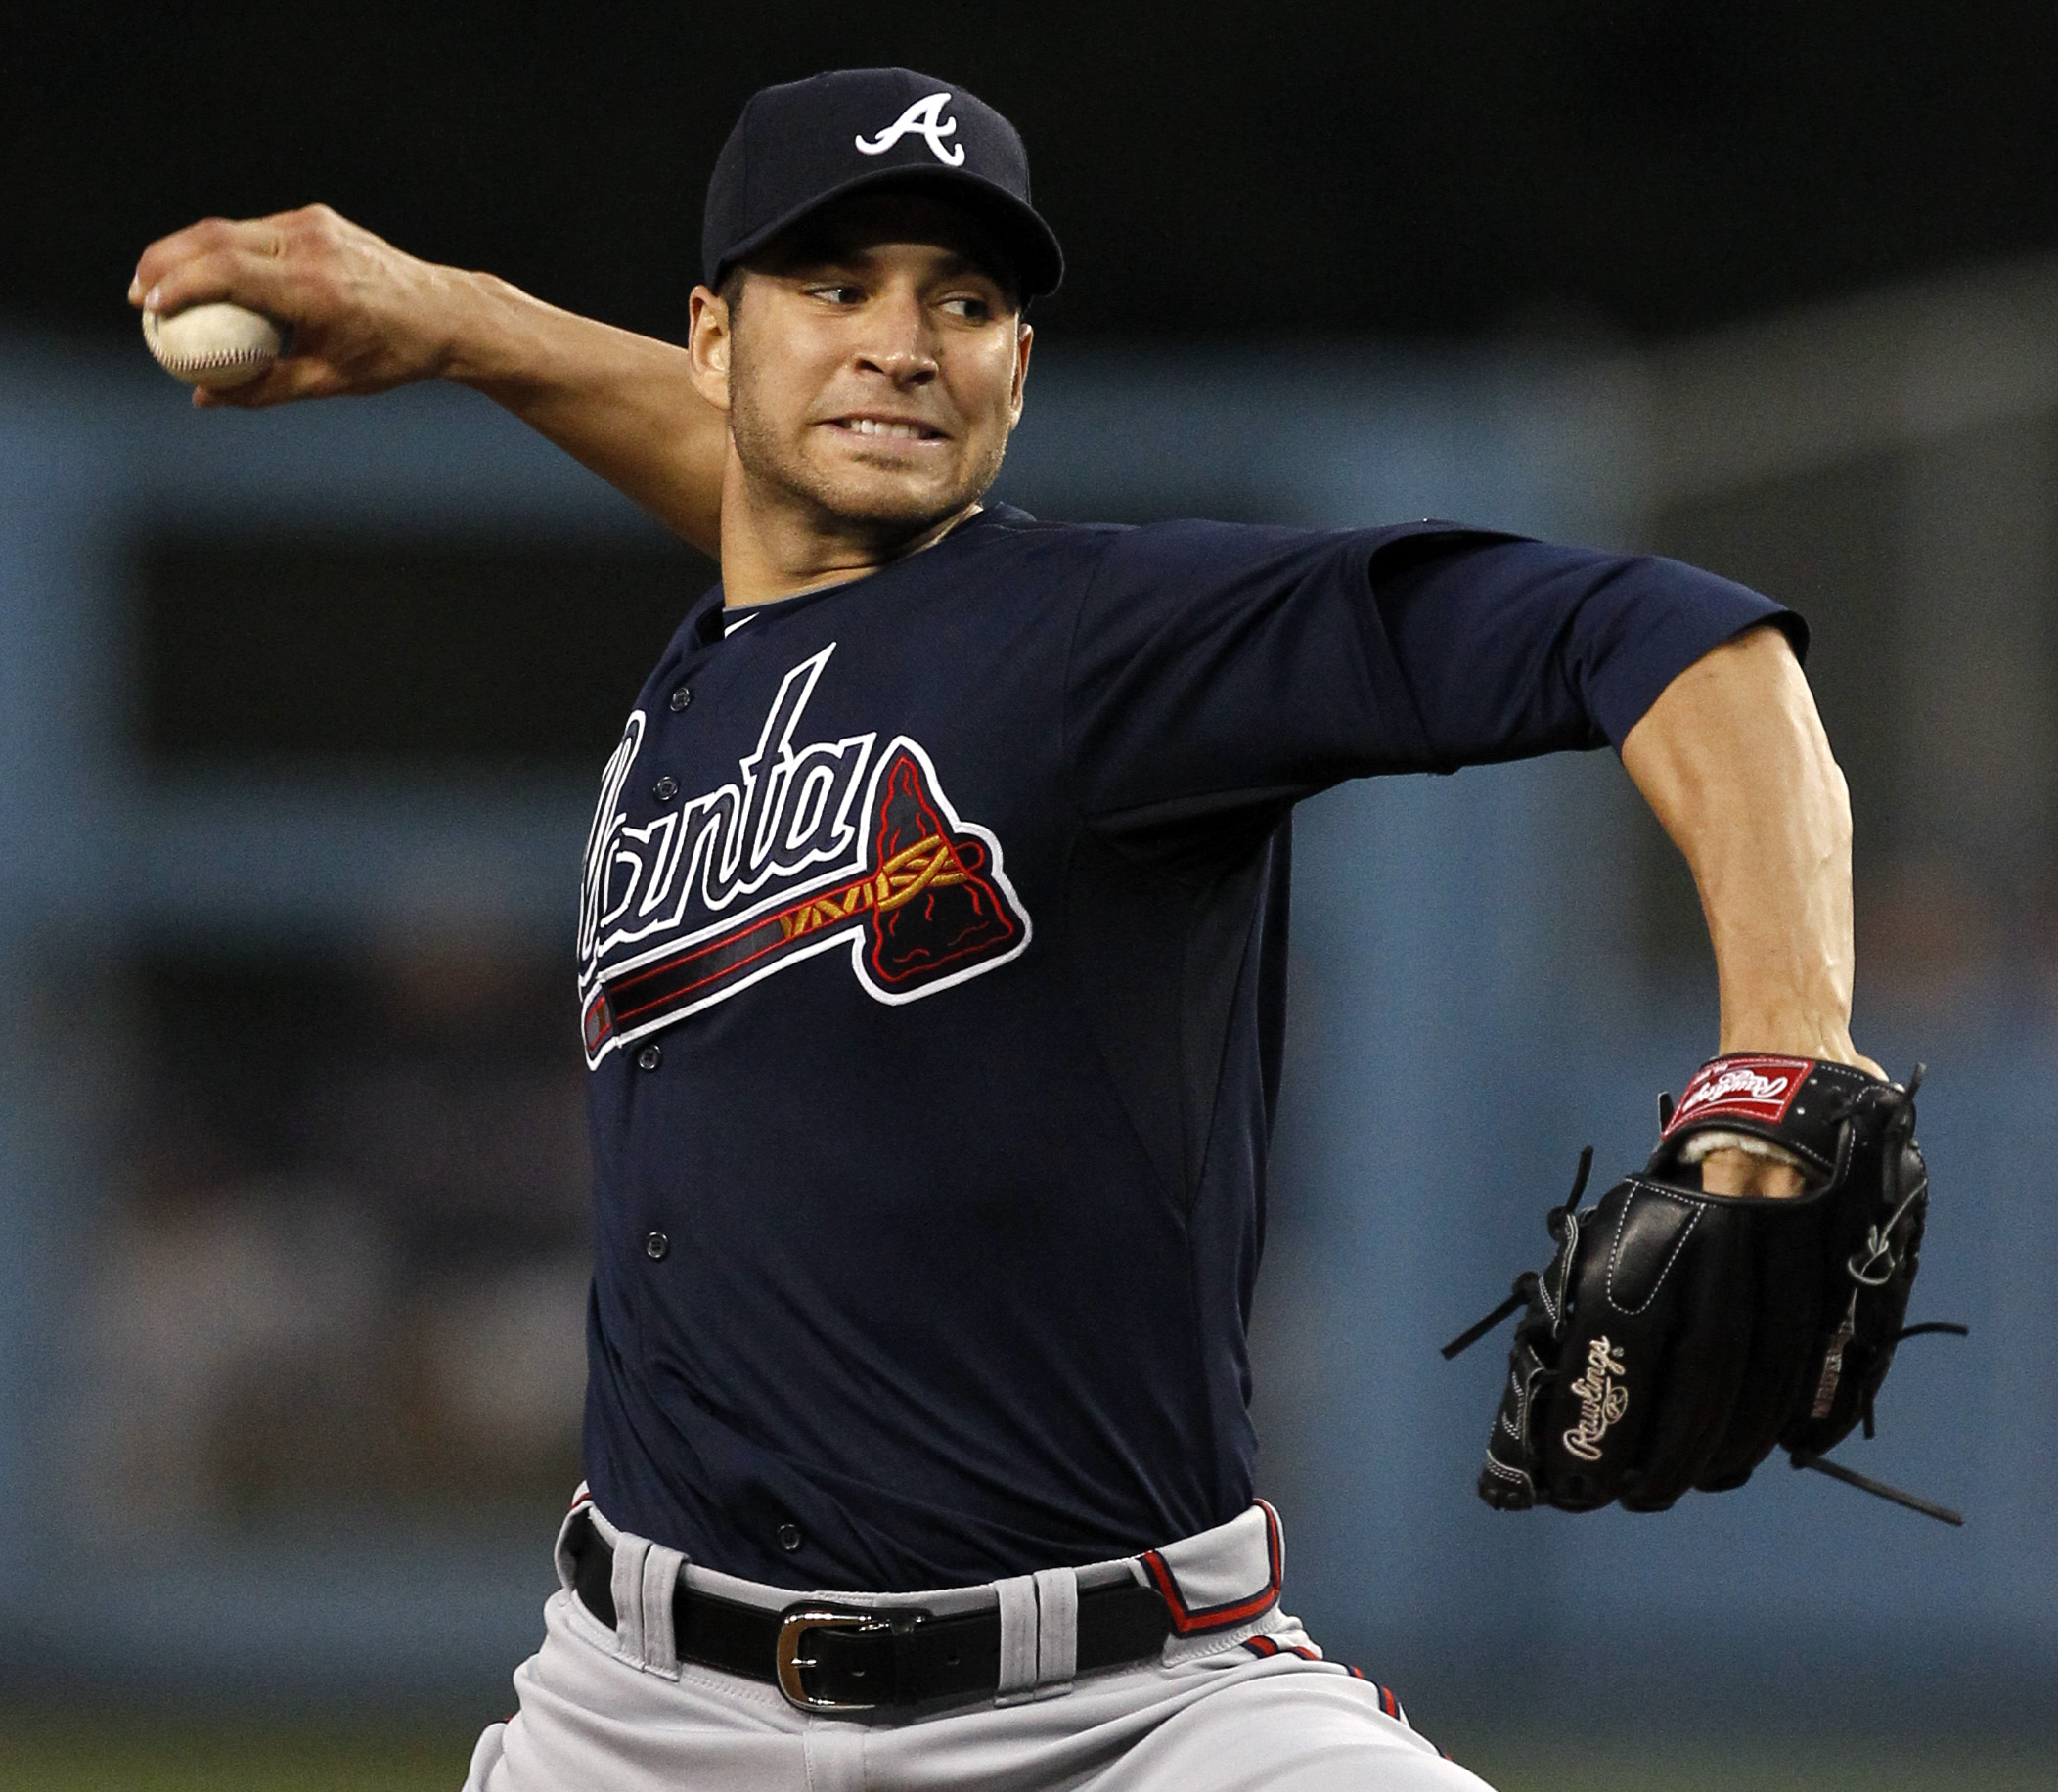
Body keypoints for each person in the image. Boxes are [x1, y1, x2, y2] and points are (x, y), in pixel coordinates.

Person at [131, 67, 1877, 1792]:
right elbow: (763, 497)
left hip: (1127, 1714)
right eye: (835, 286)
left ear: (1017, 373)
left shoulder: (1111, 646)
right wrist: (463, 323)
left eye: (962, 302)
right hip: (636, 1711)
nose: (902, 341)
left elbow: (1671, 633)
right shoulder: (745, 644)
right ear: (716, 339)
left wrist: (1786, 1057)